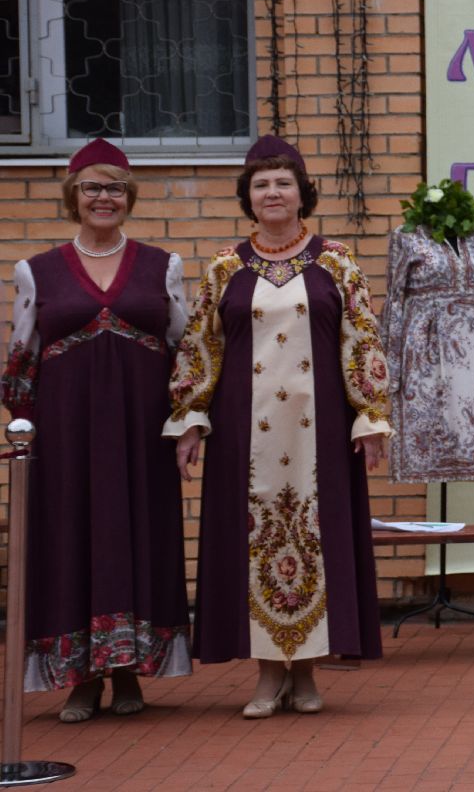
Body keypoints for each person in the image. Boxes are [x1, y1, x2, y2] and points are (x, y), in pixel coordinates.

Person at [166, 135, 392, 718]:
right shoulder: (224, 269)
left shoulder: (336, 263)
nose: (272, 192)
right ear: (248, 195)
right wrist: (189, 419)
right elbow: (200, 349)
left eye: (283, 182)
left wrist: (370, 417)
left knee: (320, 542)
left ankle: (308, 673)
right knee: (253, 545)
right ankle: (268, 676)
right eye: (261, 184)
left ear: (301, 193)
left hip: (321, 434)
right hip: (245, 437)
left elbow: (361, 339)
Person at [2, 138, 192, 721]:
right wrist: (23, 434)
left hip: (142, 436)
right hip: (66, 437)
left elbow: (186, 349)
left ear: (128, 196)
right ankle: (80, 677)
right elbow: (20, 359)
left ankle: (128, 673)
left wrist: (188, 424)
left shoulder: (165, 265)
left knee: (140, 537)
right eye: (92, 187)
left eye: (113, 188)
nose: (103, 198)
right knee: (71, 541)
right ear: (74, 195)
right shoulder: (36, 271)